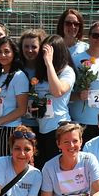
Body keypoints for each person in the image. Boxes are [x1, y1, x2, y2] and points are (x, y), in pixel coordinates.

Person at [0, 36, 29, 170]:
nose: (2, 55)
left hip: (10, 130)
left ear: (14, 53)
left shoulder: (19, 76)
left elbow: (21, 109)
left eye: (7, 51)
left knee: (7, 170)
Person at [30, 35, 75, 168]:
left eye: (49, 53)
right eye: (43, 53)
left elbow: (57, 91)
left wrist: (49, 63)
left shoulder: (67, 71)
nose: (45, 56)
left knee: (57, 170)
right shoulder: (41, 73)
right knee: (41, 169)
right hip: (41, 128)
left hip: (58, 127)